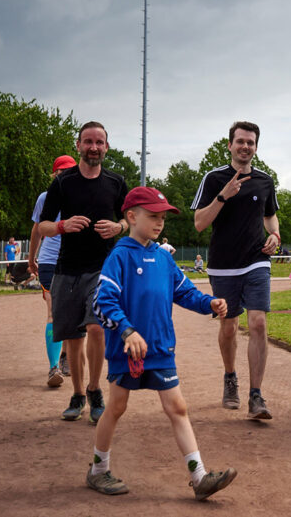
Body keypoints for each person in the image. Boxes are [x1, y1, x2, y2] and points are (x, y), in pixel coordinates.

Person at [88, 186, 236, 499]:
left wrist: (208, 303)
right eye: (153, 216)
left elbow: (185, 292)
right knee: (115, 407)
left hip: (160, 350)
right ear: (131, 217)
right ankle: (98, 470)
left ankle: (199, 477)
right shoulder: (120, 256)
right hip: (128, 351)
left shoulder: (163, 257)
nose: (159, 223)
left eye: (163, 218)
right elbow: (102, 302)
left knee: (177, 407)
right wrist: (127, 331)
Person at [38, 121, 129, 424]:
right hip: (67, 269)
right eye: (88, 142)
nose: (94, 147)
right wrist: (63, 226)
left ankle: (94, 390)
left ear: (106, 146)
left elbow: (132, 219)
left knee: (97, 328)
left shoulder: (116, 183)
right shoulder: (63, 183)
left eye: (99, 142)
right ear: (78, 145)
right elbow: (43, 226)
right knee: (73, 337)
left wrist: (118, 227)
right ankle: (77, 394)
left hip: (103, 268)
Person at [191, 120, 280, 419]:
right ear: (229, 145)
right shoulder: (214, 179)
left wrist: (275, 236)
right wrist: (223, 196)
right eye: (240, 141)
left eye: (250, 142)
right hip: (223, 265)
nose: (245, 146)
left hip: (256, 260)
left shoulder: (266, 181)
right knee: (228, 326)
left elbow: (270, 216)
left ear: (256, 147)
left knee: (257, 324)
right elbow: (199, 223)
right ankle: (230, 377)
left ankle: (256, 395)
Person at [28, 155, 76, 388]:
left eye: (70, 171)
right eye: (61, 171)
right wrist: (31, 259)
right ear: (54, 174)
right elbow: (37, 230)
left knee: (71, 312)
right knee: (54, 311)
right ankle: (54, 367)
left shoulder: (83, 195)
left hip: (75, 260)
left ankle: (65, 355)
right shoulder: (45, 198)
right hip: (49, 261)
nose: (65, 175)